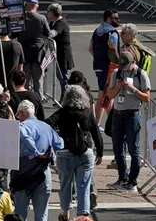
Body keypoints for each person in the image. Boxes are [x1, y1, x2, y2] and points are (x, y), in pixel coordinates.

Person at [47, 85, 100, 221]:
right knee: (84, 186)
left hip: (65, 152)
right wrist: (100, 152)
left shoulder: (63, 112)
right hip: (85, 152)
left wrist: (57, 137)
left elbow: (48, 124)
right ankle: (83, 215)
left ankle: (65, 212)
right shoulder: (88, 112)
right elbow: (96, 132)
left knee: (65, 184)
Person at [103, 47, 150, 190]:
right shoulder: (117, 73)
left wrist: (133, 89)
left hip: (133, 114)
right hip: (118, 114)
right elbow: (109, 95)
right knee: (117, 147)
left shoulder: (140, 74)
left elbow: (147, 97)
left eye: (126, 66)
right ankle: (122, 178)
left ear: (133, 62)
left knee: (133, 148)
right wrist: (118, 87)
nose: (124, 69)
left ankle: (133, 181)